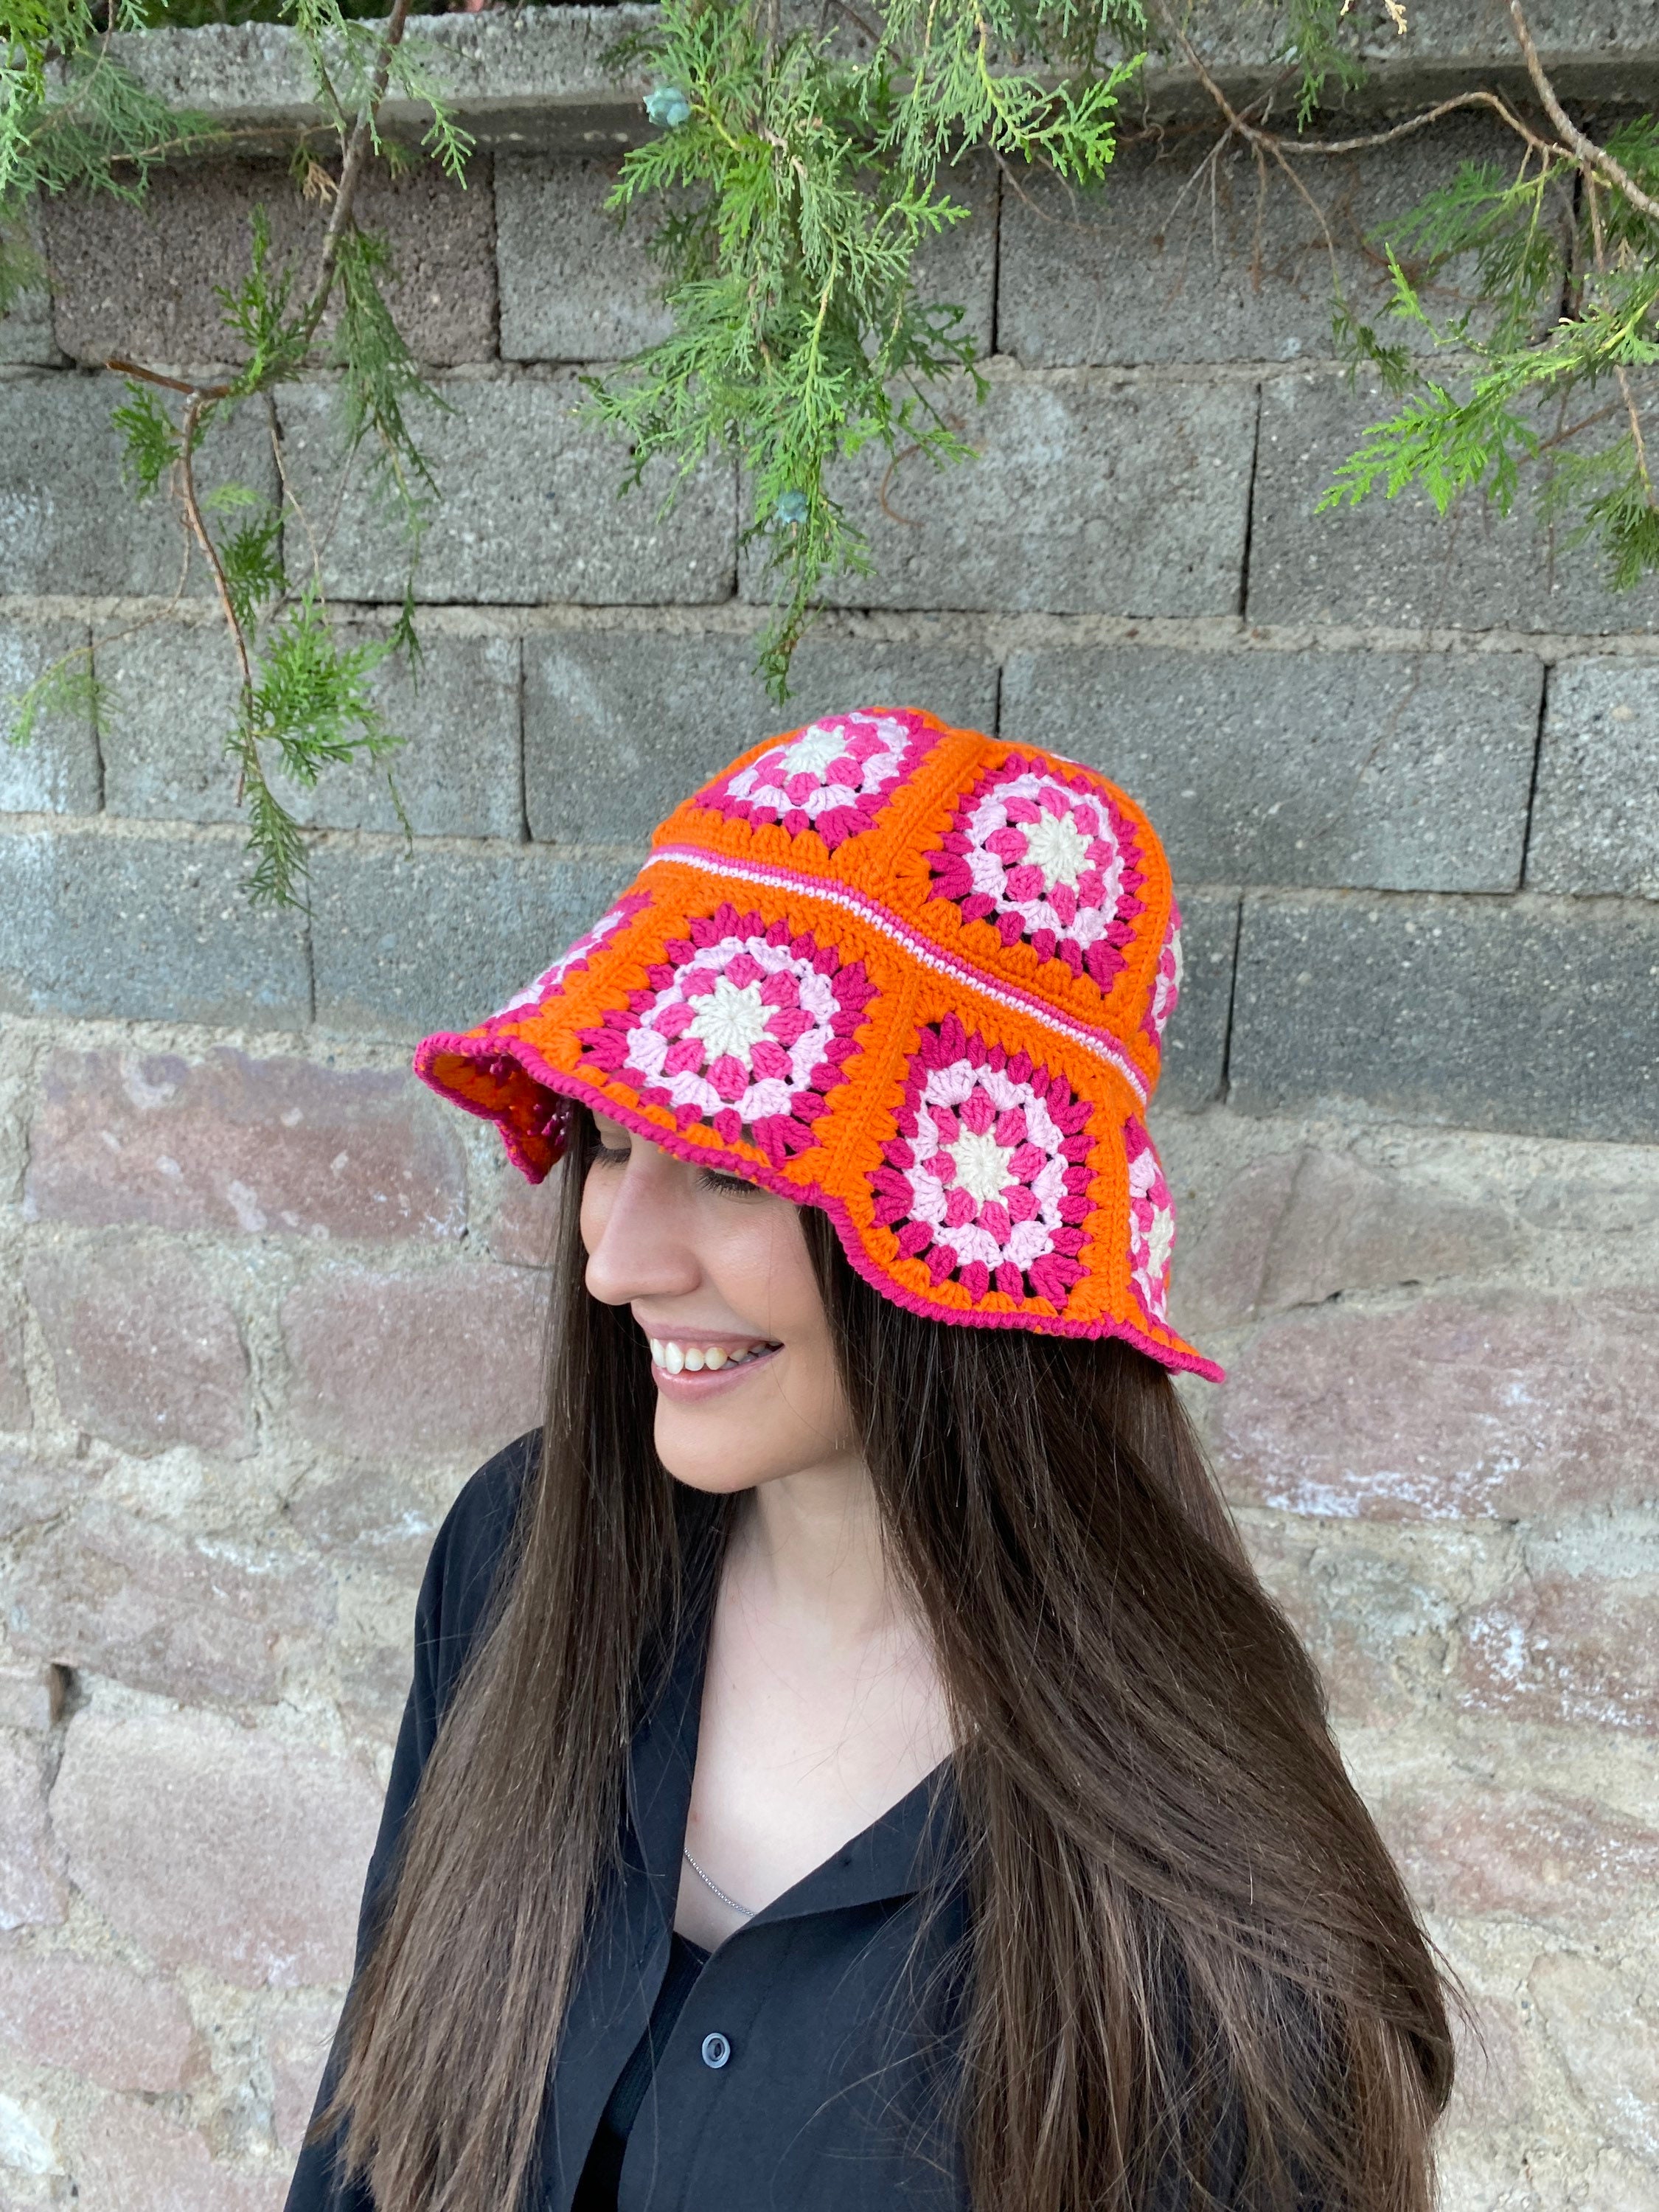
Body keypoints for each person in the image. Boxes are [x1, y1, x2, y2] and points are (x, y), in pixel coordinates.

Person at [285, 707, 1455, 2212]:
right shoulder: (520, 1556)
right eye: (611, 1143)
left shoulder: (1196, 1904)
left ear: (970, 1253)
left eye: (727, 1165)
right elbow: (372, 2135)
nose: (613, 1261)